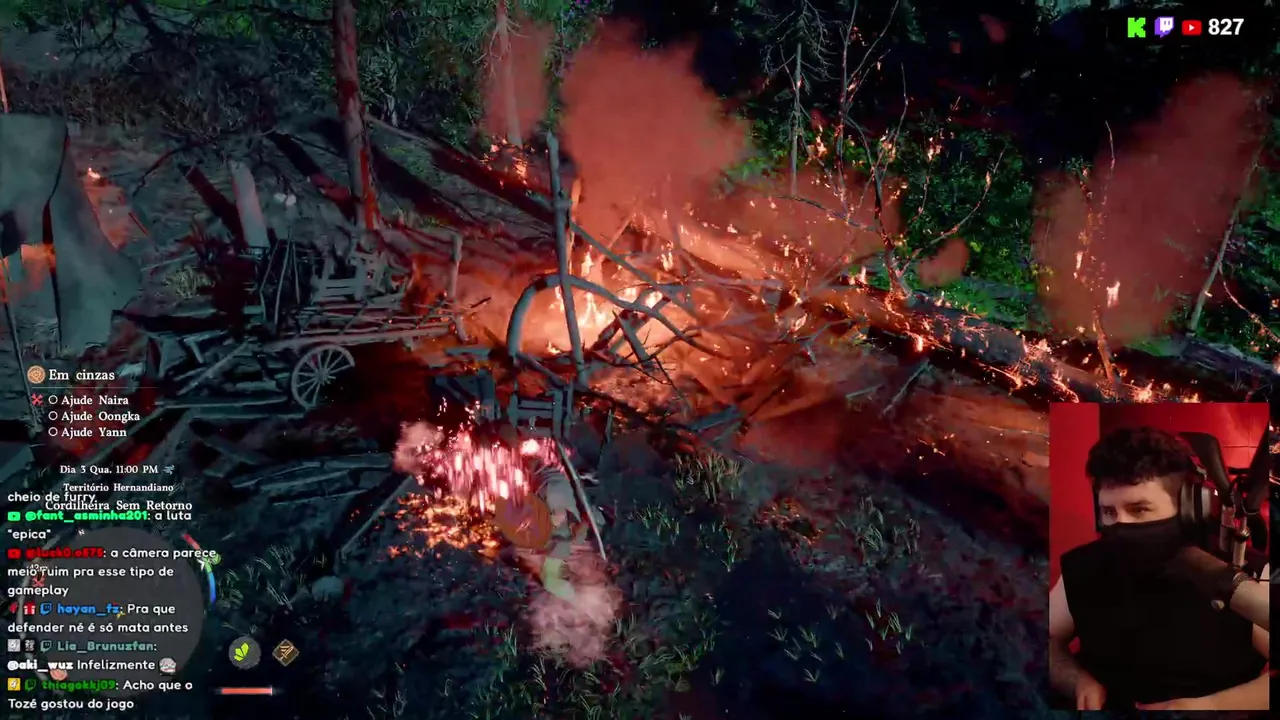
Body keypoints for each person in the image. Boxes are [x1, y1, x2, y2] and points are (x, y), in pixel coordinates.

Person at [1048, 426, 1270, 711]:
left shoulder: (1245, 574)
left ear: (1191, 508)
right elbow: (1045, 640)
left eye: (1139, 509)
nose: (1120, 525)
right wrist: (1077, 680)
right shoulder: (1084, 565)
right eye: (1109, 512)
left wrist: (1212, 705)